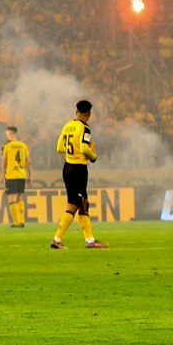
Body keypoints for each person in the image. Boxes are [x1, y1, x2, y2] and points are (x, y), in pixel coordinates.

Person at [51, 99, 108, 249]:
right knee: (74, 204)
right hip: (78, 170)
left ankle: (90, 241)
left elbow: (59, 147)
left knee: (84, 204)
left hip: (68, 167)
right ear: (89, 114)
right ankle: (57, 239)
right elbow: (84, 148)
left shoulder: (68, 125)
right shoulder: (85, 128)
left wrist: (71, 151)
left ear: (77, 112)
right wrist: (93, 156)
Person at [1, 126, 30, 228]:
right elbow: (28, 162)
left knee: (12, 199)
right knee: (19, 198)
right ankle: (21, 221)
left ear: (10, 133)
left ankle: (17, 222)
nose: (7, 136)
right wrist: (29, 175)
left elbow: (4, 162)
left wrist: (3, 176)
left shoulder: (7, 147)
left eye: (7, 134)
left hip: (11, 175)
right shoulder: (23, 145)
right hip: (22, 174)